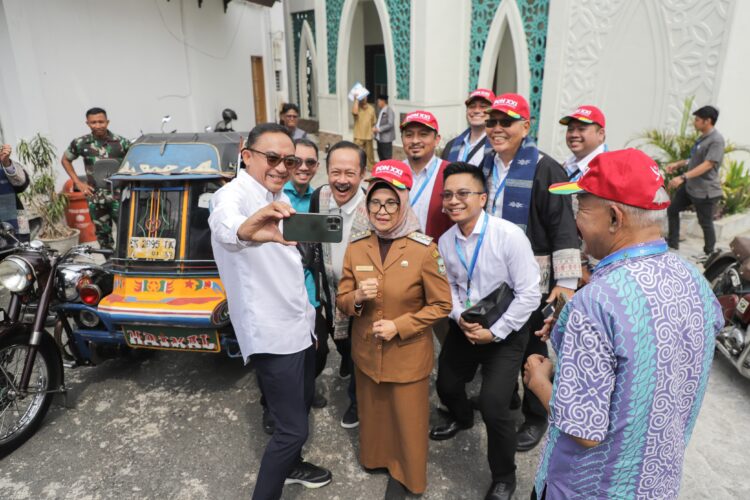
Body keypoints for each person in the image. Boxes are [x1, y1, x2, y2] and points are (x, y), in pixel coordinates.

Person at [526, 148, 723, 499]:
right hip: (657, 482)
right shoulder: (693, 279)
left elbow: (583, 428)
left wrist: (539, 380)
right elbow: (658, 355)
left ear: (615, 218)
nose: (575, 223)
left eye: (581, 209)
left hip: (587, 488)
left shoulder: (596, 302)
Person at [208, 123, 331, 500]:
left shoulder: (276, 195)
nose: (281, 167)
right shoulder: (233, 196)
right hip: (274, 335)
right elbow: (227, 226)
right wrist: (247, 231)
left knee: (295, 411)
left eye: (288, 160)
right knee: (293, 429)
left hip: (299, 325)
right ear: (247, 155)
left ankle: (292, 465)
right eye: (272, 158)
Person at [337, 160, 452, 499]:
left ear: (403, 204)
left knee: (408, 420)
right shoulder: (358, 246)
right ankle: (377, 459)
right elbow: (343, 297)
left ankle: (407, 476)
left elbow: (441, 305)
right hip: (367, 352)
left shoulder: (424, 250)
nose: (382, 210)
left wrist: (400, 326)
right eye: (375, 202)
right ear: (367, 204)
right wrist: (356, 297)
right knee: (373, 412)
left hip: (407, 353)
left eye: (391, 202)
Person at [430, 162, 541, 500]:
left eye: (463, 193)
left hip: (506, 330)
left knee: (494, 407)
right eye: (447, 194)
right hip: (467, 326)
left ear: (482, 198)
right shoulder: (446, 241)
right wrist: (461, 315)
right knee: (446, 386)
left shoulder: (508, 236)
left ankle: (505, 477)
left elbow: (530, 293)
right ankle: (462, 419)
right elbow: (447, 286)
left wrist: (497, 332)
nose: (453, 200)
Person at [480, 94, 581, 452]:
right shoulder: (486, 164)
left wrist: (566, 283)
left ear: (525, 126)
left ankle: (536, 415)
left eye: (505, 122)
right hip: (493, 276)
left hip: (534, 280)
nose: (496, 129)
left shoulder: (546, 167)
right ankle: (503, 397)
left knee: (533, 346)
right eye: (491, 122)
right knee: (499, 338)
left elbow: (564, 226)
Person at [258, 138, 325, 435]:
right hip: (276, 293)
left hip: (309, 290)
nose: (302, 167)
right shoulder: (271, 195)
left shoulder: (320, 198)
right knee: (276, 359)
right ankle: (271, 408)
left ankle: (305, 391)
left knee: (316, 353)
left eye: (310, 162)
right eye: (296, 161)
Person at [308, 141, 368, 429]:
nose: (341, 181)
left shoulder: (375, 203)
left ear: (362, 174)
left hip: (362, 296)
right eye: (335, 172)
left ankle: (357, 403)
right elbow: (311, 238)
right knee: (339, 340)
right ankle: (345, 358)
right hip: (329, 291)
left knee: (360, 353)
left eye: (350, 173)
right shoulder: (320, 196)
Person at [62, 107, 130, 249]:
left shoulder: (121, 142)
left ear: (107, 122)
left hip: (120, 195)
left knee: (127, 230)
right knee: (102, 233)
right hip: (95, 195)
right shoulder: (81, 143)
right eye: (93, 122)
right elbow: (65, 160)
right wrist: (78, 182)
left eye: (101, 122)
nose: (98, 125)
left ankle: (128, 262)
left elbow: (134, 163)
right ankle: (109, 265)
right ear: (87, 123)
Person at [665, 105, 725, 257]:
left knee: (705, 223)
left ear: (707, 121)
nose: (694, 123)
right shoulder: (703, 138)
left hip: (705, 191)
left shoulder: (716, 140)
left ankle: (709, 254)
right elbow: (695, 159)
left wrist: (683, 177)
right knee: (672, 210)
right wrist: (678, 164)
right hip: (691, 187)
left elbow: (708, 164)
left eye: (697, 120)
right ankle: (672, 243)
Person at [401, 110, 453, 240]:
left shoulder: (451, 173)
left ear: (436, 140)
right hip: (397, 253)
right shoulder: (393, 172)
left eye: (423, 135)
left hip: (438, 254)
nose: (415, 141)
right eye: (409, 135)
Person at [441, 89, 495, 166]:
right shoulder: (451, 145)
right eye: (472, 106)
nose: (476, 110)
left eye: (483, 106)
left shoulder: (498, 145)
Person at [559, 105, 607, 181]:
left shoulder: (607, 170)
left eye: (581, 129)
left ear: (600, 134)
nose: (574, 135)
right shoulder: (566, 165)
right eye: (570, 129)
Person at [0, 144, 31, 241]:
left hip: (14, 226)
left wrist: (6, 164)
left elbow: (22, 185)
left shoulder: (4, 164)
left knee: (18, 253)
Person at [352, 96, 377, 170]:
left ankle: (371, 167)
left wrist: (373, 131)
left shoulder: (371, 109)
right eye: (362, 97)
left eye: (365, 96)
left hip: (368, 135)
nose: (363, 98)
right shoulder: (356, 107)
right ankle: (357, 167)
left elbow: (373, 122)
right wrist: (356, 99)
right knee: (357, 153)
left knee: (370, 156)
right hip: (358, 136)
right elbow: (354, 112)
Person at [374, 94, 395, 161]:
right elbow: (379, 122)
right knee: (381, 156)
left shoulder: (389, 110)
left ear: (383, 101)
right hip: (379, 138)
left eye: (379, 101)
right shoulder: (381, 110)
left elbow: (390, 124)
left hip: (386, 139)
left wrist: (379, 129)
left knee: (387, 157)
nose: (378, 103)